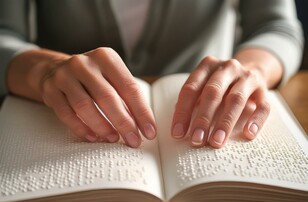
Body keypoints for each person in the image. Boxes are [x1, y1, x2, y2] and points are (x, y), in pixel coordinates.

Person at [0, 0, 303, 148]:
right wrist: (42, 70)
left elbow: (277, 27)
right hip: (56, 114)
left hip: (207, 108)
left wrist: (252, 70)